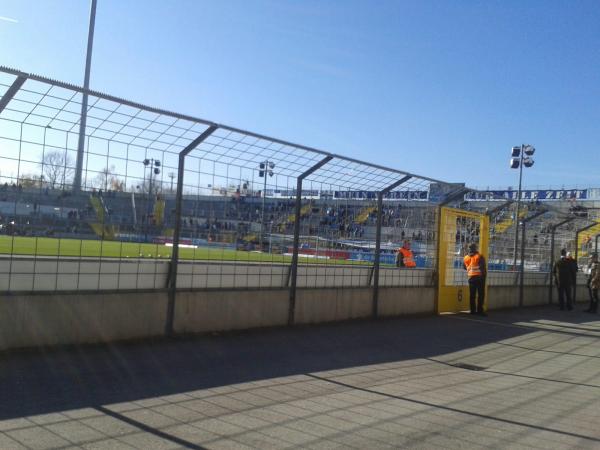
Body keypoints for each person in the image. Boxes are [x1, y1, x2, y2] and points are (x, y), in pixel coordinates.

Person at [463, 243, 487, 316]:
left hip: (471, 278)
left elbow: (464, 267)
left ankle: (472, 310)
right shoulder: (479, 256)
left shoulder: (465, 258)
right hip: (480, 278)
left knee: (472, 295)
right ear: (476, 248)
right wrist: (484, 276)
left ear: (469, 249)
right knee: (481, 294)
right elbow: (482, 268)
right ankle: (480, 311)